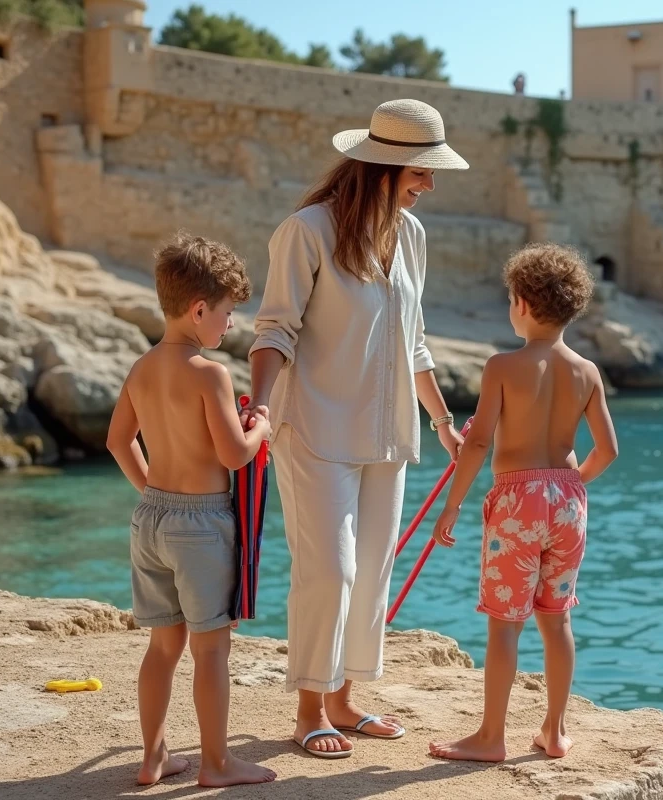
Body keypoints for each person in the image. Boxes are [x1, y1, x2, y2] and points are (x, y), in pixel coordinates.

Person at [244, 99, 469, 758]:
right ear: (385, 166)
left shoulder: (412, 238)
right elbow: (273, 328)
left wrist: (444, 423)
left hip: (388, 432)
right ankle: (309, 707)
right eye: (421, 172)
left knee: (372, 571)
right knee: (330, 571)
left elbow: (415, 341)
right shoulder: (306, 231)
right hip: (313, 425)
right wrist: (258, 407)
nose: (429, 185)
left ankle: (343, 700)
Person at [426, 243, 619, 762]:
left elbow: (481, 443)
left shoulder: (502, 366)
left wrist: (452, 505)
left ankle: (492, 737)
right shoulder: (587, 371)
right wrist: (571, 483)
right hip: (569, 500)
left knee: (504, 625)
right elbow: (608, 450)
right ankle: (554, 731)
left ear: (523, 304)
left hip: (516, 502)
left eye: (510, 299)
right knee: (556, 620)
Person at [106, 234, 276, 787]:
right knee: (211, 651)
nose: (229, 325)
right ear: (200, 309)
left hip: (152, 518)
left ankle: (153, 757)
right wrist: (262, 428)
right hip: (202, 525)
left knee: (162, 645)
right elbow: (233, 455)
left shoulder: (141, 367)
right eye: (227, 314)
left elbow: (117, 441)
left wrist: (151, 489)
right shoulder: (211, 373)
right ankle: (216, 763)